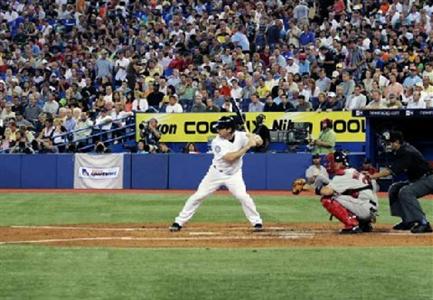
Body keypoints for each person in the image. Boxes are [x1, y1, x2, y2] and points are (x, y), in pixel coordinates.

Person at [170, 116, 263, 232]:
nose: (218, 131)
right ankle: (179, 222)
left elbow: (260, 141)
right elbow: (231, 158)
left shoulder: (241, 135)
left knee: (243, 196)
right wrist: (248, 146)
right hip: (216, 173)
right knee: (198, 196)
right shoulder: (217, 142)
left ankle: (257, 222)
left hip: (234, 174)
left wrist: (255, 139)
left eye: (221, 128)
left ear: (229, 130)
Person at [370, 131, 432, 233]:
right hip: (418, 179)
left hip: (428, 179)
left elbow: (389, 171)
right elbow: (390, 169)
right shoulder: (399, 150)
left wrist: (372, 177)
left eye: (389, 143)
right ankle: (408, 221)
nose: (387, 145)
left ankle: (423, 223)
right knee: (395, 188)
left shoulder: (407, 151)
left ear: (397, 142)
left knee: (406, 192)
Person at [316, 151, 379, 234]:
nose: (330, 164)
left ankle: (352, 225)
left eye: (333, 161)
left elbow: (327, 192)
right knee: (343, 195)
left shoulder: (342, 175)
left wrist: (316, 189)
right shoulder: (352, 171)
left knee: (328, 199)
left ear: (340, 163)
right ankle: (364, 224)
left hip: (365, 208)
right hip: (370, 207)